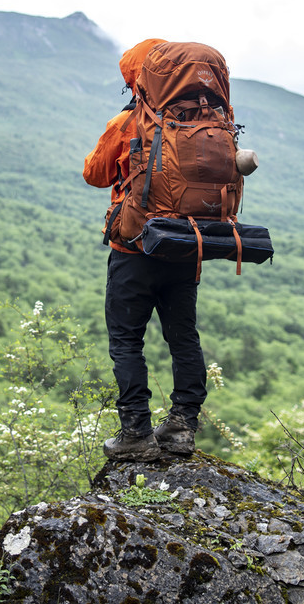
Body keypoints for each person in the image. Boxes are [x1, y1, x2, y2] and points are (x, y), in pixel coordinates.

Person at [83, 38, 206, 462]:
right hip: (186, 245)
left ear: (136, 78)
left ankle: (135, 431)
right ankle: (182, 427)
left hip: (134, 249)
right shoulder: (203, 122)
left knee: (126, 341)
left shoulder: (129, 122)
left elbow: (94, 174)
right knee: (183, 337)